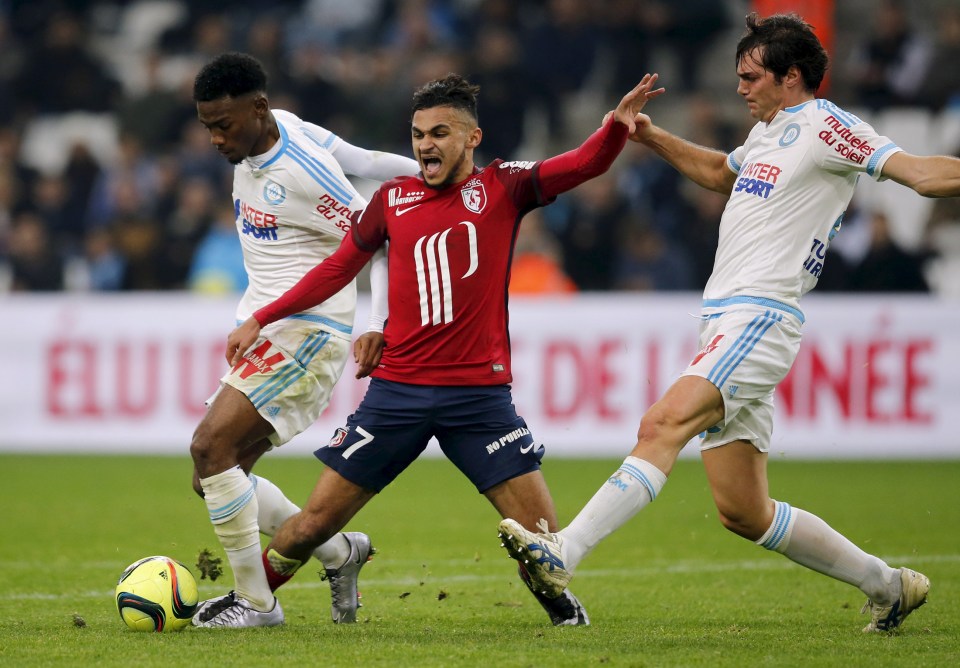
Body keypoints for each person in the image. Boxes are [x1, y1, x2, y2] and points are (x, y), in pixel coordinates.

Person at [497, 12, 960, 634]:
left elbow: (922, 175)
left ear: (792, 76)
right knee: (744, 511)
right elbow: (721, 173)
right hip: (726, 319)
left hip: (763, 314)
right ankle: (889, 585)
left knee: (661, 423)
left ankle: (565, 552)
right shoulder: (767, 135)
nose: (739, 89)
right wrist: (650, 136)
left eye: (750, 77)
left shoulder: (828, 126)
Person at [223, 72, 665, 627]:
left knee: (546, 545)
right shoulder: (392, 199)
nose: (425, 146)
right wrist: (264, 317)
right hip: (396, 396)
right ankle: (251, 601)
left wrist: (615, 130)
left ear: (471, 138)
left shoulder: (503, 187)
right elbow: (338, 269)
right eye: (417, 134)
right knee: (312, 524)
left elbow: (580, 164)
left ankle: (563, 613)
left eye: (439, 133)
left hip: (479, 400)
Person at [189, 52, 419, 628]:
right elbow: (365, 159)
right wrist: (424, 172)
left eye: (224, 125)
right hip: (267, 325)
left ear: (258, 109)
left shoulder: (301, 175)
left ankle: (257, 604)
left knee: (209, 449)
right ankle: (340, 554)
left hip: (308, 332)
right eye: (208, 127)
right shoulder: (280, 123)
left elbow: (378, 236)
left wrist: (377, 324)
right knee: (214, 475)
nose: (216, 139)